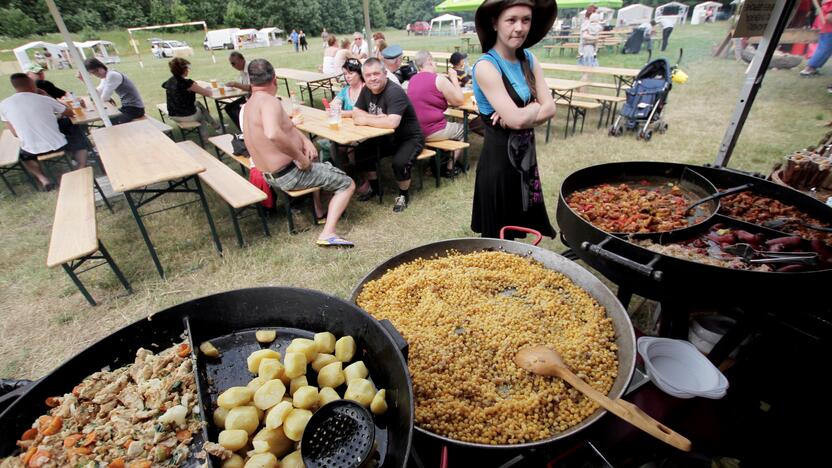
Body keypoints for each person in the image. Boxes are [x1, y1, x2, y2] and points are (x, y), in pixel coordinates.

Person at [242, 59, 355, 247]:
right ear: (275, 79)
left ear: (251, 81)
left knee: (319, 159)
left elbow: (285, 127)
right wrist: (300, 158)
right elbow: (273, 133)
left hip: (269, 175)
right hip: (289, 174)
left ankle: (320, 210)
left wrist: (304, 140)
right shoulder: (269, 101)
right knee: (347, 184)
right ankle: (328, 234)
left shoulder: (250, 103)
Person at [470, 0, 557, 240]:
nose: (519, 27)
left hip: (526, 161)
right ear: (495, 23)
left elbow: (550, 108)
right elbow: (518, 120)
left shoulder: (529, 59)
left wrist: (527, 110)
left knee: (521, 233)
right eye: (511, 20)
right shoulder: (486, 66)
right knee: (498, 241)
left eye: (525, 20)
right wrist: (535, 107)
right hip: (499, 167)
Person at [353, 58, 424, 212]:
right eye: (368, 75)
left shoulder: (394, 92)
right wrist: (375, 118)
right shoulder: (367, 89)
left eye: (376, 73)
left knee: (399, 163)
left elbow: (392, 123)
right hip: (387, 137)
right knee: (361, 151)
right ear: (364, 77)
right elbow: (356, 112)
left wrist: (365, 120)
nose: (372, 78)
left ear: (385, 73)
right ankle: (375, 188)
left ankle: (403, 195)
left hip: (410, 138)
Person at [0, 74, 89, 190]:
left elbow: (15, 134)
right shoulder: (44, 99)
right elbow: (70, 113)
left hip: (31, 149)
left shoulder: (3, 105)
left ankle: (43, 179)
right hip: (58, 145)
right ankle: (81, 165)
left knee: (24, 156)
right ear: (31, 84)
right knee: (78, 134)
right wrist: (47, 95)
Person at [407, 51, 466, 177]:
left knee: (449, 125)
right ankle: (450, 166)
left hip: (416, 130)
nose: (435, 64)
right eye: (433, 61)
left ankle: (436, 162)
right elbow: (459, 100)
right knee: (464, 128)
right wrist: (454, 78)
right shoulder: (438, 79)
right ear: (429, 60)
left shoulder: (412, 80)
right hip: (432, 130)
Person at [162, 58, 219, 142]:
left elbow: (164, 85)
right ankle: (207, 138)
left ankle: (215, 125)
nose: (188, 70)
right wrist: (203, 88)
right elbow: (208, 93)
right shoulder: (187, 83)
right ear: (184, 70)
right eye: (187, 69)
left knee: (198, 103)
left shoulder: (170, 81)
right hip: (185, 115)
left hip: (173, 114)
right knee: (201, 116)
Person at [82, 58, 145, 124]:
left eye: (95, 71)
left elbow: (105, 98)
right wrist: (85, 81)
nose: (96, 75)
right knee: (109, 120)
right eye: (92, 73)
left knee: (110, 123)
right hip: (127, 108)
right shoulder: (106, 76)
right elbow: (97, 93)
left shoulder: (112, 75)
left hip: (135, 109)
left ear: (100, 67)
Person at [800, 0, 832, 77]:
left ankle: (811, 68)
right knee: (824, 49)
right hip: (829, 29)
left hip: (827, 29)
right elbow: (829, 17)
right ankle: (809, 69)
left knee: (825, 49)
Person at [225, 51, 251, 130]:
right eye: (231, 64)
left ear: (241, 60)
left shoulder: (250, 68)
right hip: (248, 96)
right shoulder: (242, 70)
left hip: (254, 97)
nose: (232, 66)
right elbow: (243, 86)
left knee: (234, 108)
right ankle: (243, 128)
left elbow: (251, 88)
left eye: (233, 63)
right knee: (228, 107)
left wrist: (235, 84)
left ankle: (245, 129)